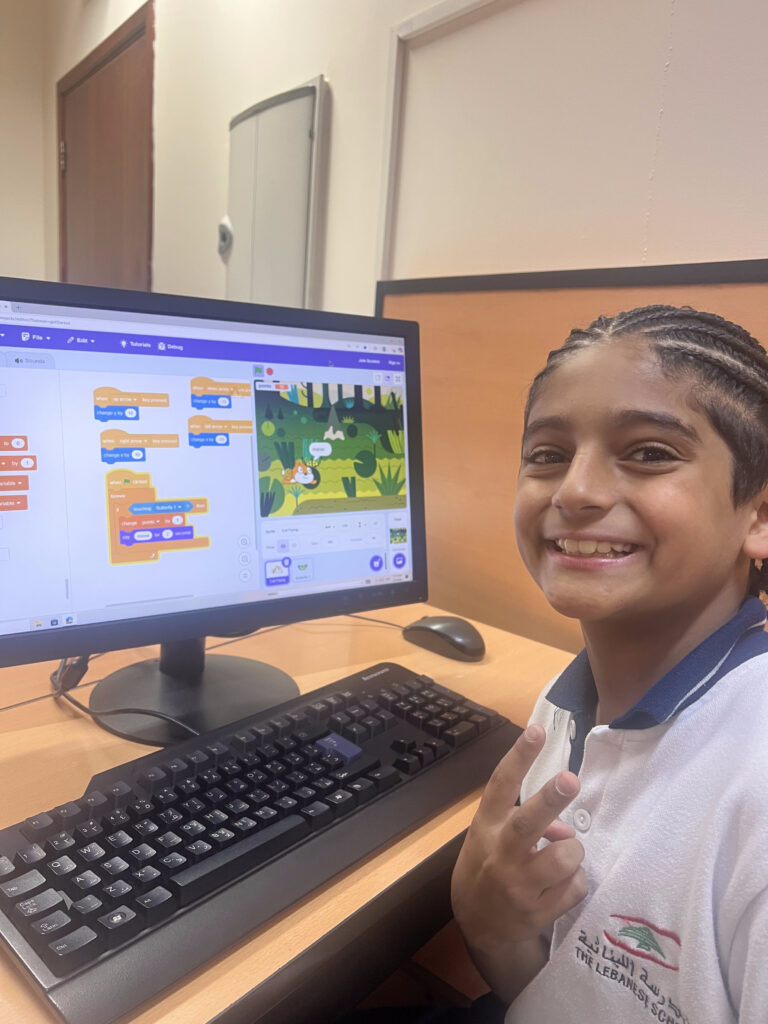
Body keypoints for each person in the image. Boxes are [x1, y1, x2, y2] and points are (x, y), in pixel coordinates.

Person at [450, 304, 768, 1023]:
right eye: (547, 454)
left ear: (758, 516)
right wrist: (490, 927)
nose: (575, 491)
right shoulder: (570, 698)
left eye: (649, 452)